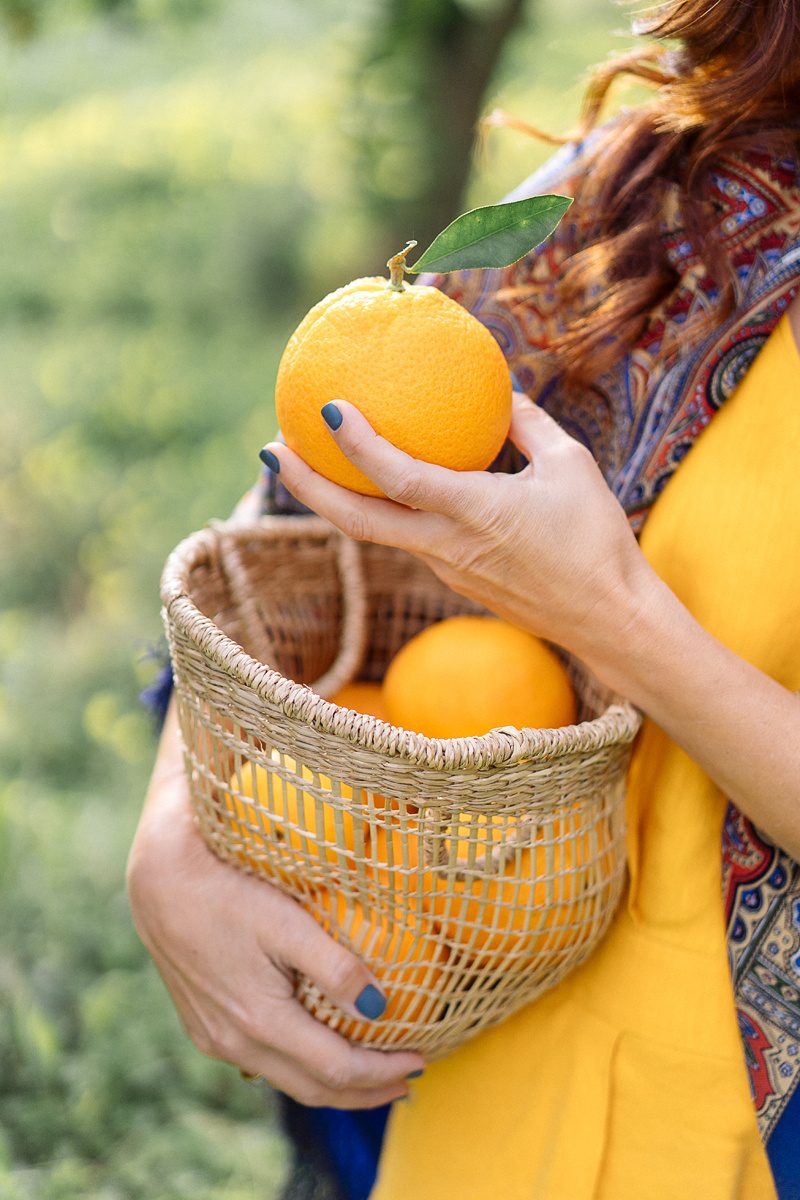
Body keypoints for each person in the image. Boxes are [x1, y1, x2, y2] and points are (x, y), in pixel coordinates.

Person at [127, 0, 800, 1196]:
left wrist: (608, 616)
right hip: (479, 1068)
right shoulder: (644, 193)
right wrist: (174, 830)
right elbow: (296, 514)